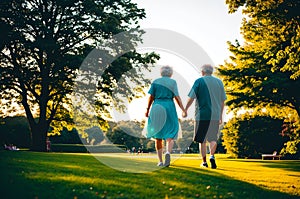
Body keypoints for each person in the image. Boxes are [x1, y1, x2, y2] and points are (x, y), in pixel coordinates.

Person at [184, 64, 226, 169]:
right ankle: (212, 156)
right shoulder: (219, 82)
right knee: (213, 139)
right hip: (215, 115)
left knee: (201, 140)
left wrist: (185, 109)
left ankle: (204, 162)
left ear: (202, 72)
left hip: (201, 115)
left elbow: (191, 98)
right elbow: (222, 101)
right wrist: (220, 116)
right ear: (211, 72)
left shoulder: (199, 81)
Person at [144, 65, 186, 167]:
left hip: (157, 107)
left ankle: (160, 161)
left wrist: (147, 109)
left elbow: (151, 97)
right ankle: (168, 152)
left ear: (161, 73)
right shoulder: (173, 82)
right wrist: (183, 109)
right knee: (170, 132)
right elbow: (177, 97)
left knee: (158, 135)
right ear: (171, 73)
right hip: (169, 107)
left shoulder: (156, 81)